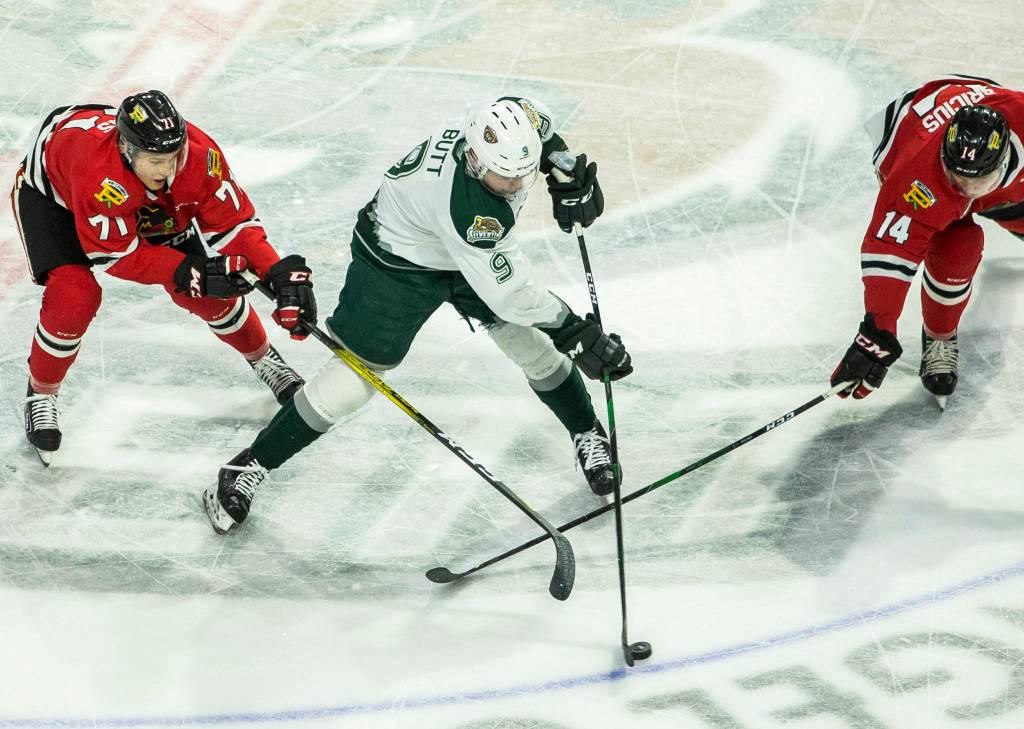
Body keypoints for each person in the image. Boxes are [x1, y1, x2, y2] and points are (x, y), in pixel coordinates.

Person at [203, 95, 633, 533]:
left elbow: (544, 138)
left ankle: (586, 432)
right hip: (397, 261)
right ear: (474, 159)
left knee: (528, 342)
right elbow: (512, 296)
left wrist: (559, 163)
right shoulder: (471, 209)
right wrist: (576, 332)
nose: (517, 186)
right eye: (505, 178)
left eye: (523, 174)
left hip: (458, 250)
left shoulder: (511, 122)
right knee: (354, 381)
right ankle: (247, 467)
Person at [12, 90, 317, 465]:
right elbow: (116, 255)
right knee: (74, 297)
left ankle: (263, 357)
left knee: (209, 293)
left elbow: (233, 223)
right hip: (54, 197)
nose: (168, 170)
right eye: (156, 160)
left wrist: (276, 270)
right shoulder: (95, 168)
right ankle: (41, 392)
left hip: (133, 201)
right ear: (126, 148)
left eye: (174, 157)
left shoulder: (200, 157)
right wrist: (183, 270)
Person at [831, 74, 1024, 409]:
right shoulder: (919, 176)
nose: (966, 193)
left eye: (977, 183)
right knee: (957, 246)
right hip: (913, 135)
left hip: (988, 125)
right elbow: (891, 249)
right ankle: (939, 335)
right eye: (958, 179)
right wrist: (878, 330)